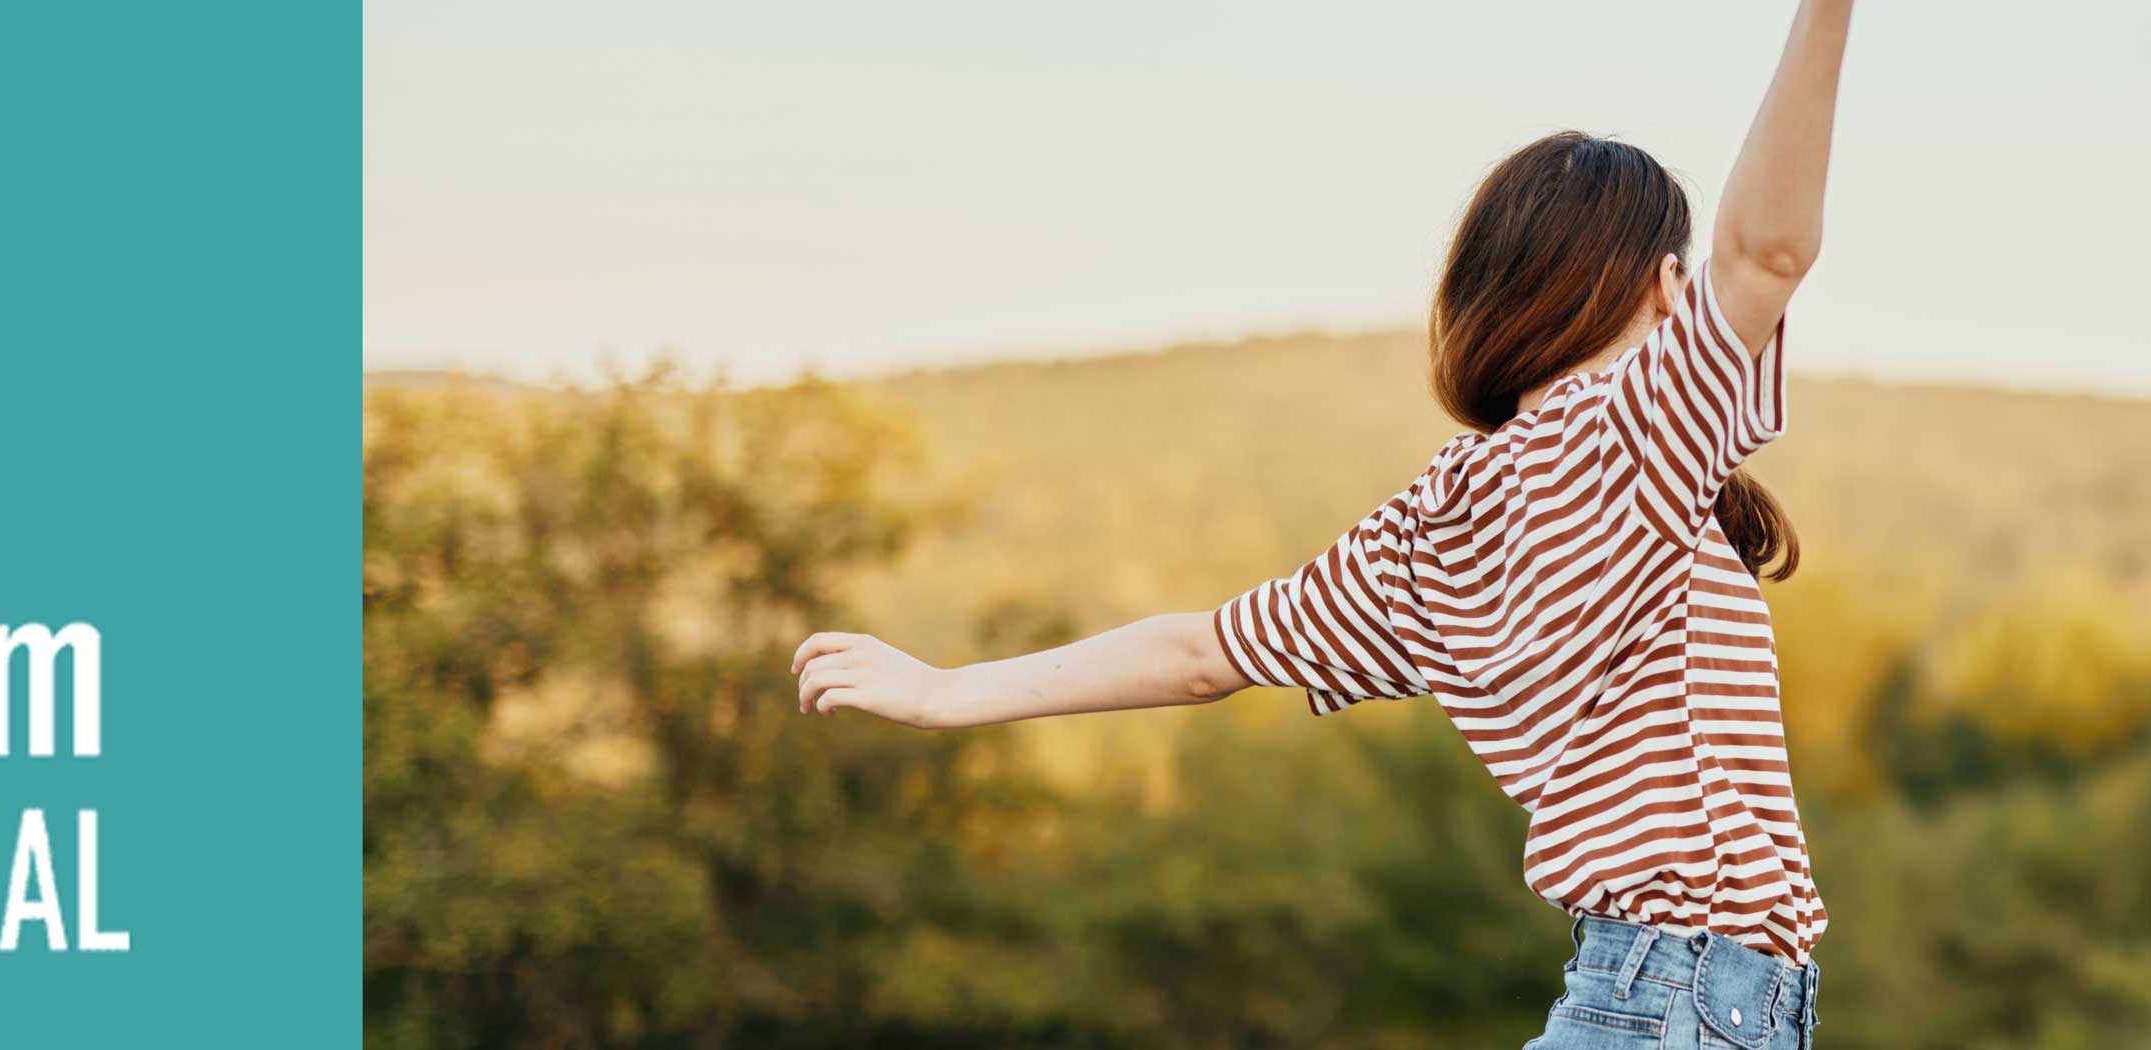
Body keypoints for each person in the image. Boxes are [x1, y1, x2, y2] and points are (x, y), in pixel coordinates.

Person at [780, 2, 1855, 1045]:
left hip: (1631, 996)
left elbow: (1199, 651)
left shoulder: (1432, 525)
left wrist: (940, 690)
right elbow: (1764, 255)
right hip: (1687, 1005)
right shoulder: (1618, 440)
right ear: (1664, 289)